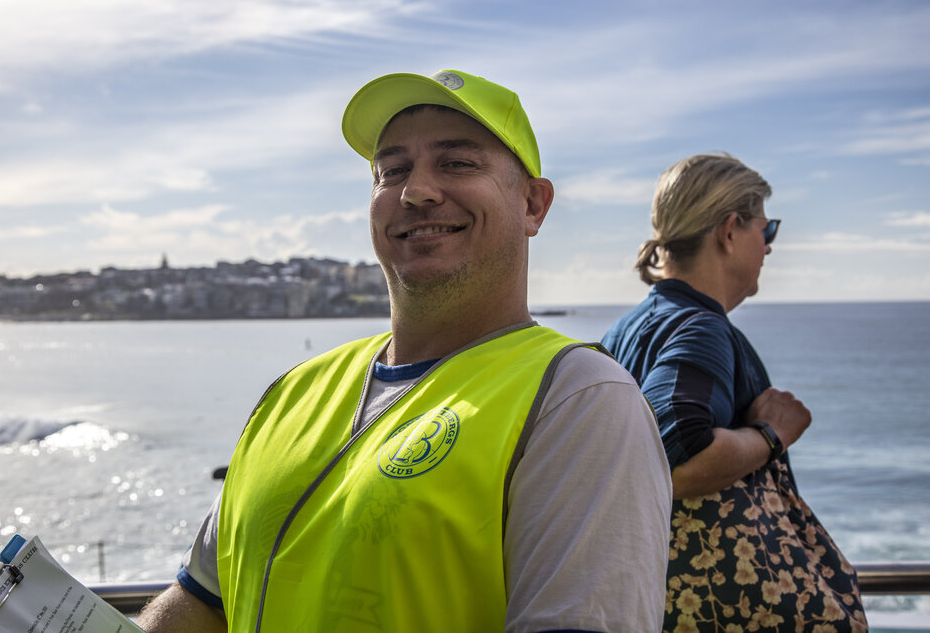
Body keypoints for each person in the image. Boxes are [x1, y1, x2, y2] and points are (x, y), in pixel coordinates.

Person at [136, 69, 672, 633]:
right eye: (392, 170)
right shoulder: (294, 390)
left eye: (457, 163)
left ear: (534, 205)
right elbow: (201, 602)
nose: (416, 190)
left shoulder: (577, 398)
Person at [601, 153, 867, 632]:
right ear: (728, 231)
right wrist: (771, 434)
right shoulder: (701, 329)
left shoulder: (628, 328)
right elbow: (674, 459)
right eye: (766, 231)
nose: (767, 248)